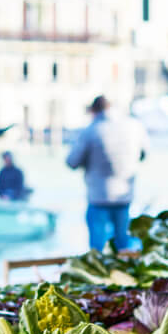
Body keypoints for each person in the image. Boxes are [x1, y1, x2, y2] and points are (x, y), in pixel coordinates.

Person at [66, 95, 148, 251]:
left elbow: (72, 162)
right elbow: (144, 153)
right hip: (125, 196)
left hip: (99, 198)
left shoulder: (91, 131)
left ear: (94, 111)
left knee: (98, 252)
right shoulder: (134, 126)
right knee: (123, 248)